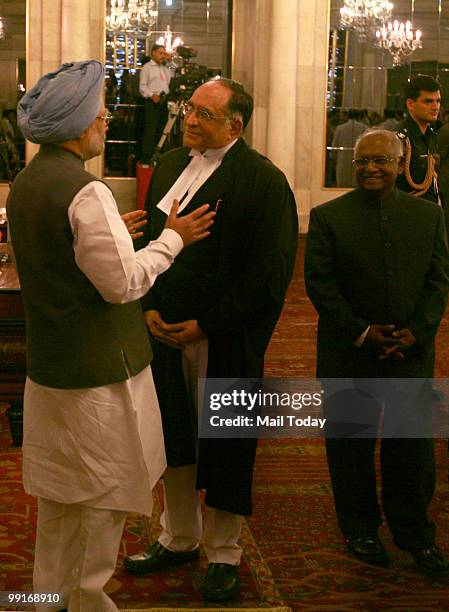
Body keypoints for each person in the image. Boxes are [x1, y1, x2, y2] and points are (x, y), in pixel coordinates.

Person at [7, 60, 215, 612]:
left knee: (59, 509)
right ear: (76, 125)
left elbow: (59, 257)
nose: (104, 118)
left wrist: (113, 236)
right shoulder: (85, 190)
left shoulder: (29, 180)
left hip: (54, 371)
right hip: (96, 380)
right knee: (96, 507)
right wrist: (172, 240)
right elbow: (122, 286)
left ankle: (44, 600)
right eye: (97, 112)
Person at [124, 77, 298, 601]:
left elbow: (269, 275)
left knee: (225, 446)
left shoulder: (264, 181)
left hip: (223, 338)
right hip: (161, 330)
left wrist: (208, 323)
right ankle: (177, 536)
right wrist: (148, 307)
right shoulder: (173, 165)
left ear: (236, 125)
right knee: (173, 438)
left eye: (203, 113)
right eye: (189, 110)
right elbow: (155, 243)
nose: (190, 120)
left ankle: (224, 552)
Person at [305, 129, 449, 578]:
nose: (370, 168)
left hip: (410, 355)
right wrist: (363, 333)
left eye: (381, 161)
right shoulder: (328, 217)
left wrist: (417, 334)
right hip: (349, 353)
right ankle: (360, 529)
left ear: (400, 162)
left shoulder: (427, 217)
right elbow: (320, 286)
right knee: (350, 448)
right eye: (363, 160)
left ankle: (414, 535)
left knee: (412, 450)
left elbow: (438, 281)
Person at [396, 74, 441, 201]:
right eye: (428, 101)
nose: (435, 107)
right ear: (410, 104)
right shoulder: (399, 138)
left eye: (438, 101)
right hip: (408, 209)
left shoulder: (430, 135)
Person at [139, 44, 172, 164]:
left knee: (161, 129)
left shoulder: (164, 68)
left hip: (163, 101)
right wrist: (151, 95)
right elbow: (142, 86)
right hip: (152, 102)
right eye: (160, 53)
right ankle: (146, 157)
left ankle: (159, 156)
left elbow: (173, 74)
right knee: (150, 130)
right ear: (153, 53)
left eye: (164, 53)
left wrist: (169, 61)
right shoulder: (147, 68)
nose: (163, 55)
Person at [331, 109, 367, 187]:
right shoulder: (364, 127)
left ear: (348, 116)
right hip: (359, 159)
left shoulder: (340, 128)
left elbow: (334, 145)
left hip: (342, 159)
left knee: (342, 184)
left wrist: (333, 157)